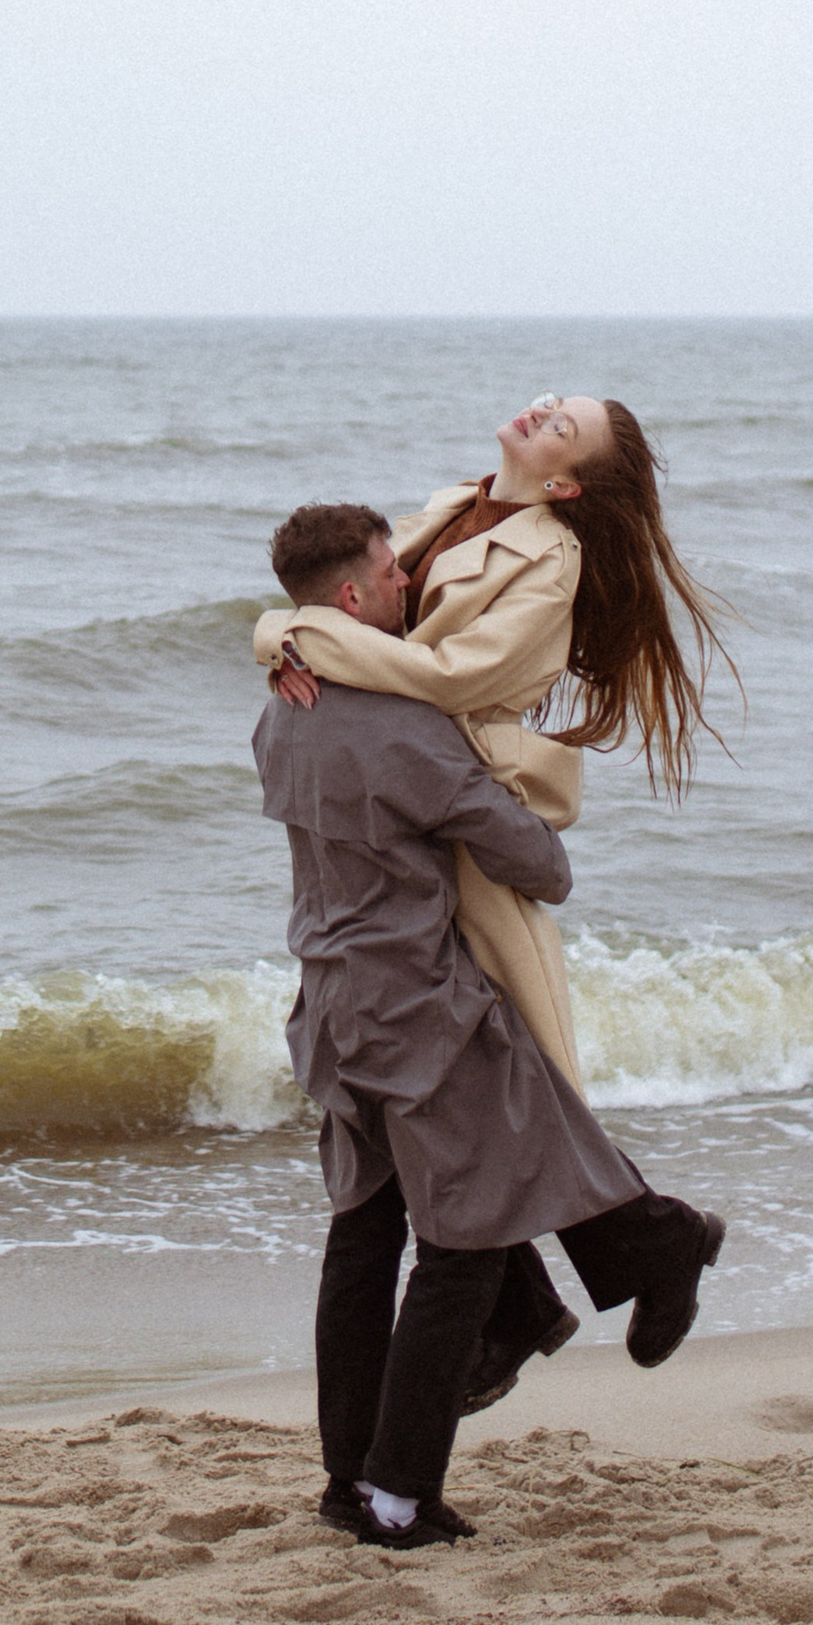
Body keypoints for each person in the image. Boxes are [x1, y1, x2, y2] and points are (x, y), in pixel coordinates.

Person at [257, 500, 726, 1553]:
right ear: (349, 597)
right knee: (461, 1246)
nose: (406, 583)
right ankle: (396, 1491)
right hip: (418, 1006)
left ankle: (354, 1475)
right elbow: (537, 864)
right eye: (388, 572)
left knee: (366, 1239)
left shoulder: (281, 704)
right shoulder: (405, 727)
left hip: (328, 1005)